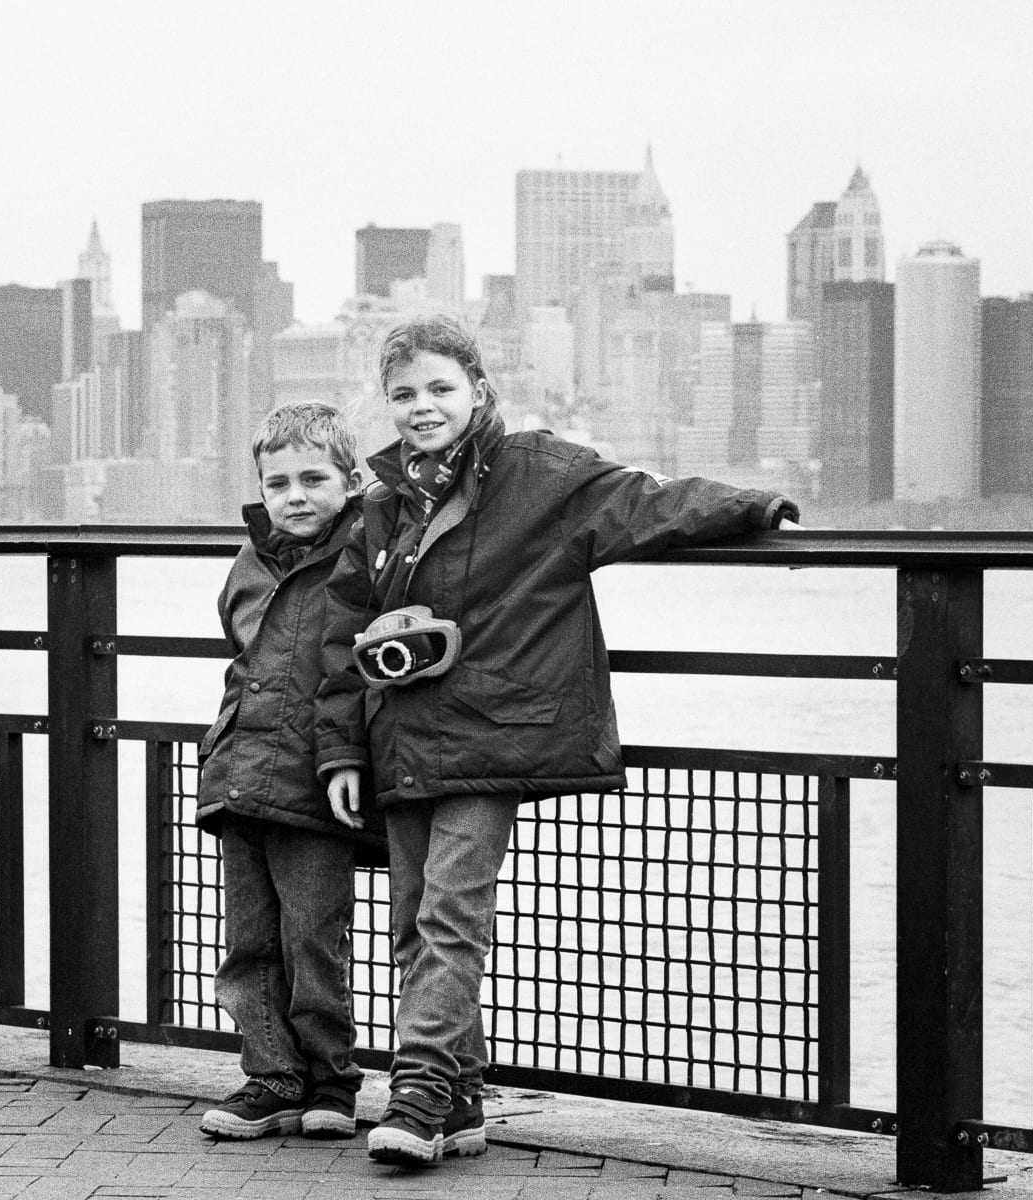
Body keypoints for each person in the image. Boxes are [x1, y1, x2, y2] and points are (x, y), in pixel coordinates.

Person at [316, 313, 800, 1166]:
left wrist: (757, 506)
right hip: (402, 739)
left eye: (439, 388)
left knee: (449, 915)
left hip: (493, 737)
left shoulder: (542, 475)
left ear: (479, 391)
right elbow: (342, 633)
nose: (422, 407)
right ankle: (460, 1100)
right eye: (403, 394)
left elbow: (649, 503)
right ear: (385, 405)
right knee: (408, 923)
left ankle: (421, 1089)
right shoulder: (385, 505)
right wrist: (341, 750)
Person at [196, 401, 384, 1142]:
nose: (295, 495)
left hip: (316, 782)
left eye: (314, 478)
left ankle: (332, 1083)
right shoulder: (251, 561)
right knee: (248, 945)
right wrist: (222, 752)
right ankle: (271, 1078)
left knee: (314, 940)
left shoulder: (366, 554)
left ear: (350, 479)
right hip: (241, 775)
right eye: (279, 483)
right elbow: (243, 661)